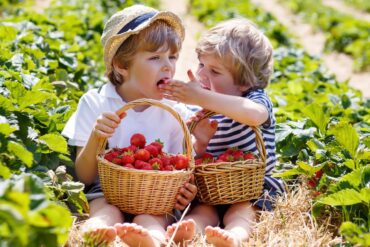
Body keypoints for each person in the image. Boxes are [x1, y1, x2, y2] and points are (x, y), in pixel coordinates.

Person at [62, 5, 197, 247]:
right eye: (155, 57)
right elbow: (84, 176)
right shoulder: (96, 104)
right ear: (121, 65)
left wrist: (188, 190)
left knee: (153, 218)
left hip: (157, 199)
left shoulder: (176, 112)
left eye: (172, 56)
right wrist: (97, 136)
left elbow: (183, 169)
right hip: (107, 194)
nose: (168, 66)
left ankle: (152, 239)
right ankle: (96, 232)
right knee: (103, 210)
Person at [159, 18, 286, 246]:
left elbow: (253, 115)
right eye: (201, 65)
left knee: (241, 211)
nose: (203, 75)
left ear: (245, 82)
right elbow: (200, 157)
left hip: (252, 187)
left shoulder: (254, 99)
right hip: (214, 188)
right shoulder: (204, 110)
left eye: (215, 71)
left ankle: (235, 235)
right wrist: (202, 143)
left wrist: (201, 96)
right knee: (203, 210)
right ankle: (190, 229)